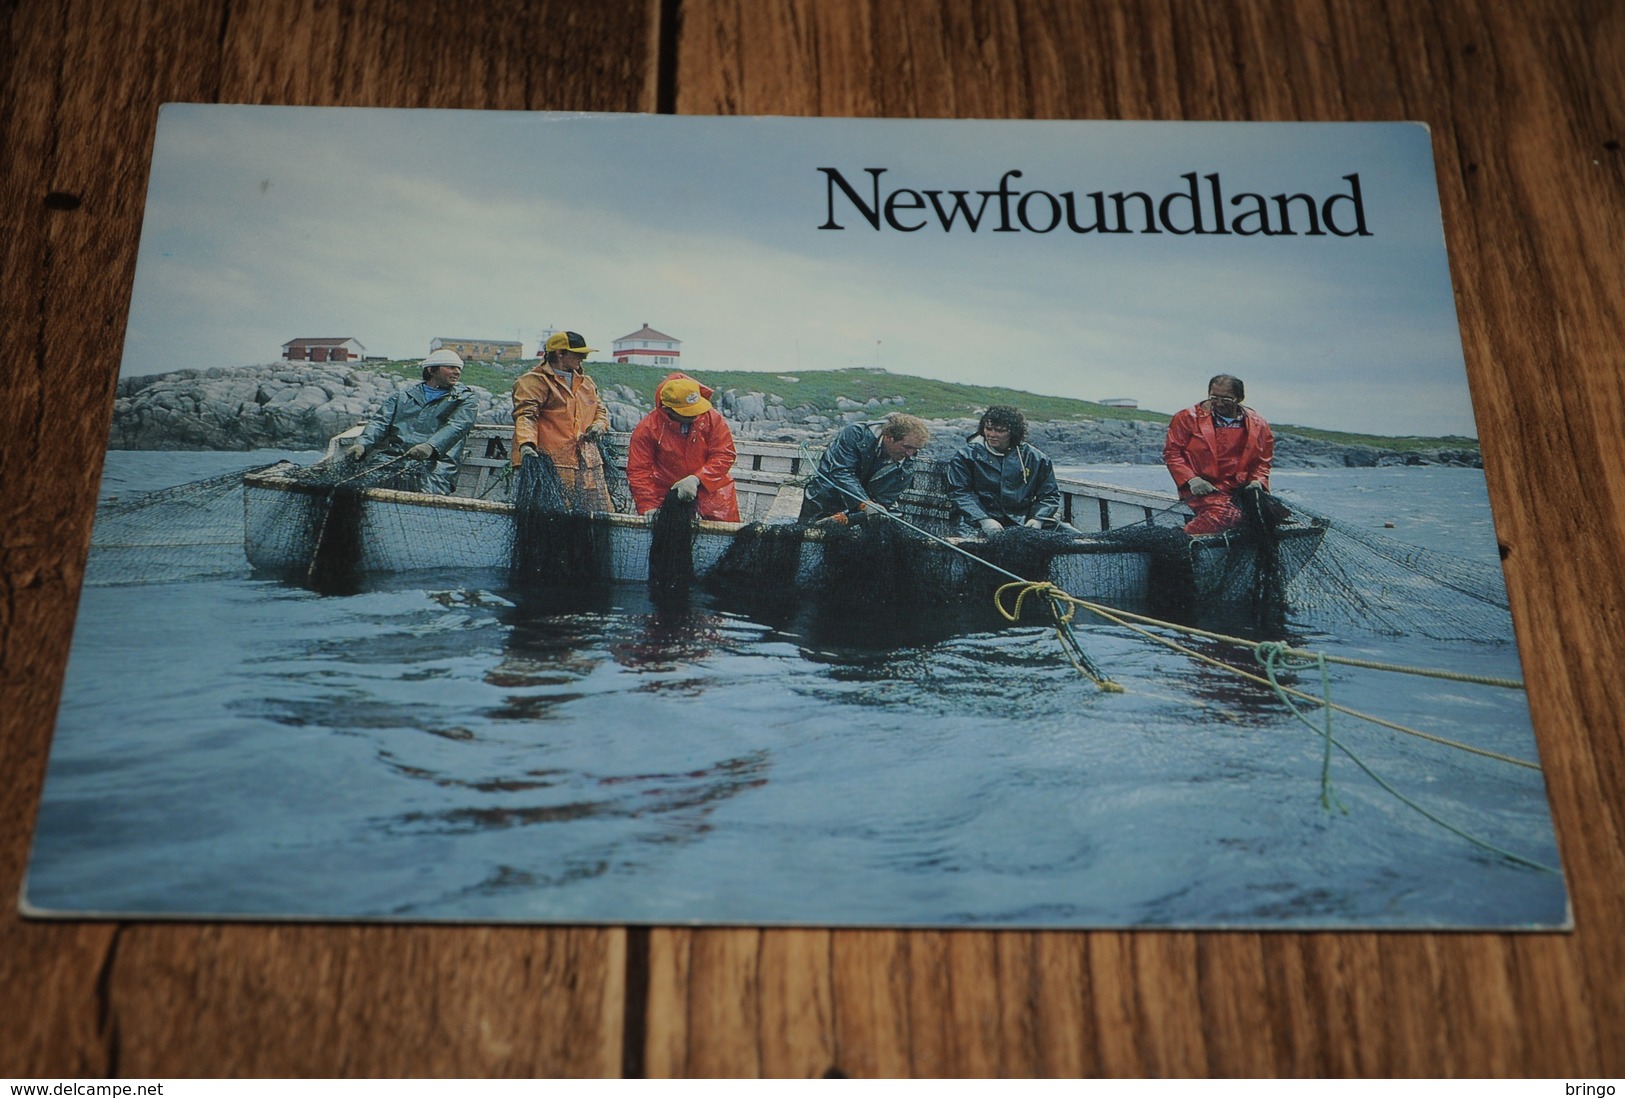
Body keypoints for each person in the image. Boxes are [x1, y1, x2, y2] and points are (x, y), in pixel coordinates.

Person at [344, 348, 478, 494]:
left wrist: (430, 447)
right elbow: (379, 423)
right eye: (451, 367)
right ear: (432, 370)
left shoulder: (465, 399)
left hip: (437, 466)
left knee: (423, 493)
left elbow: (457, 426)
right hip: (393, 460)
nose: (457, 372)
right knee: (358, 487)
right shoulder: (402, 396)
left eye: (459, 368)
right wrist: (362, 445)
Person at [1162, 373, 1275, 536]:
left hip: (1240, 489)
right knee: (1228, 515)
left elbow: (1263, 462)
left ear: (1240, 398)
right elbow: (1172, 453)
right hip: (1202, 487)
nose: (1219, 403)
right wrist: (1192, 480)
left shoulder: (1260, 424)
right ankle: (1179, 540)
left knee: (1272, 517)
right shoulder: (1186, 417)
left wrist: (1258, 481)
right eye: (1214, 397)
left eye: (1227, 399)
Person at [511, 330, 612, 511]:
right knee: (554, 519)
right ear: (560, 353)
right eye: (578, 353)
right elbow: (526, 415)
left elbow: (600, 410)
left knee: (597, 515)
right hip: (551, 466)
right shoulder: (533, 382)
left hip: (588, 465)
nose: (584, 357)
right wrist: (526, 444)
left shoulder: (586, 383)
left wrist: (599, 425)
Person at [626, 372, 741, 521]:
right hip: (668, 498)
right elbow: (639, 470)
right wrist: (648, 505)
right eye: (689, 412)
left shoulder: (713, 418)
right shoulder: (646, 429)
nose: (697, 414)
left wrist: (697, 478)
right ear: (668, 410)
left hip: (714, 495)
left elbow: (724, 454)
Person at [945, 405, 1066, 537]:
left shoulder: (1037, 458)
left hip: (1024, 520)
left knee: (1073, 537)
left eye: (1000, 431)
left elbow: (1049, 495)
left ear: (1013, 432)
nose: (992, 434)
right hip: (974, 520)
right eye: (988, 429)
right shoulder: (966, 456)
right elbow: (959, 492)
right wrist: (983, 519)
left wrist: (1038, 518)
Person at [799, 412, 930, 522]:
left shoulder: (908, 464)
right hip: (825, 497)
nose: (910, 454)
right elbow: (841, 472)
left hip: (862, 508)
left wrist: (873, 511)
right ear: (889, 437)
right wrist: (864, 503)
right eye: (907, 447)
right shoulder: (856, 434)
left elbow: (886, 499)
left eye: (916, 449)